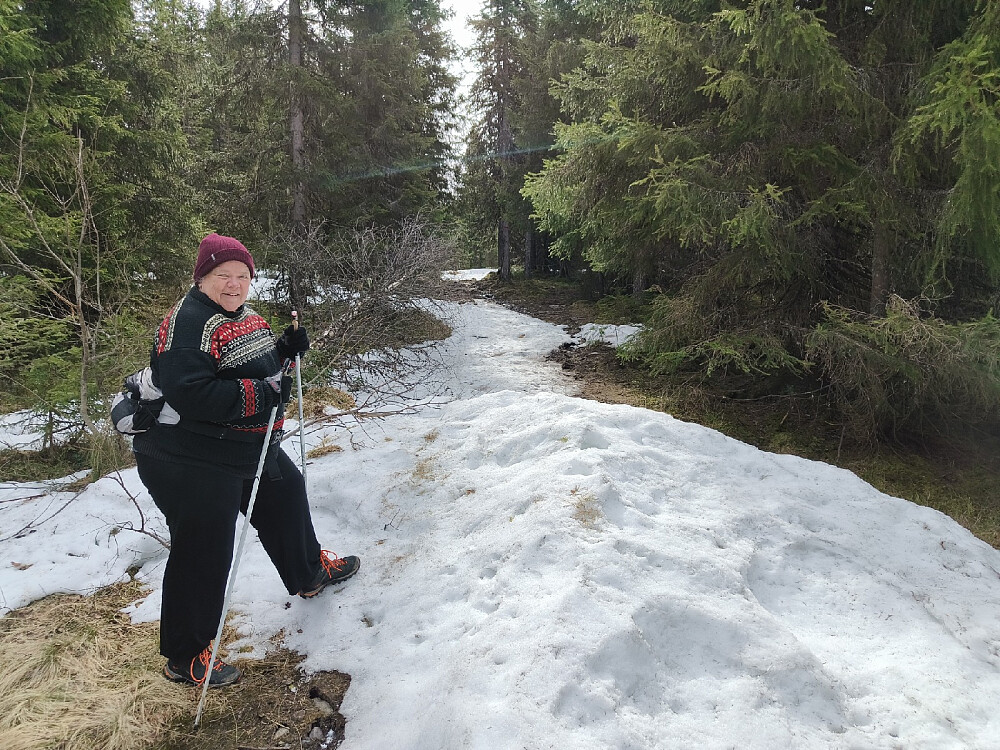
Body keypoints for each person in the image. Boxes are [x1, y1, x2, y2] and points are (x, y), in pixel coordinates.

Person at [133, 232, 360, 688]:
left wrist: (284, 350)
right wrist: (266, 392)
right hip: (187, 456)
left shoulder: (243, 315)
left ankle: (309, 572)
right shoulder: (186, 325)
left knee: (286, 494)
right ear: (202, 277)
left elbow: (257, 363)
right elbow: (193, 393)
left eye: (242, 276)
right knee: (205, 548)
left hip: (246, 447)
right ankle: (184, 656)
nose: (234, 284)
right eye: (223, 276)